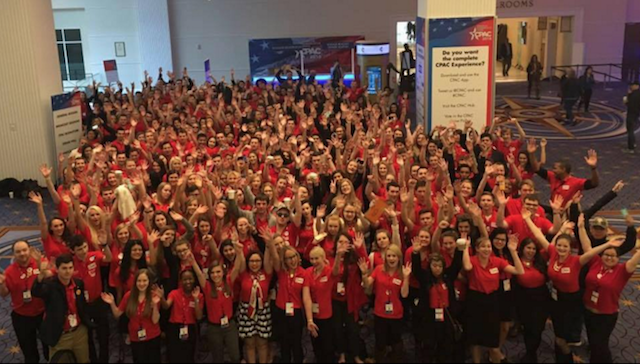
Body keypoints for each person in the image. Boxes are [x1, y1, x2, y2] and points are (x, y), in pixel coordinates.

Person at [462, 235, 524, 364]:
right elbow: (467, 267)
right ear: (477, 249)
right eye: (483, 246)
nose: (486, 249)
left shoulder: (497, 261)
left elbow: (519, 271)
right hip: (475, 300)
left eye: (488, 246)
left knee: (493, 339)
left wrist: (513, 251)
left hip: (492, 301)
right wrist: (465, 248)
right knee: (475, 338)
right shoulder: (472, 260)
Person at [32, 253, 92, 363]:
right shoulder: (50, 285)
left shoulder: (78, 284)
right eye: (64, 268)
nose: (68, 271)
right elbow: (36, 292)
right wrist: (41, 275)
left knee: (84, 360)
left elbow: (82, 305)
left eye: (70, 268)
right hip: (60, 335)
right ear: (57, 269)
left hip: (79, 332)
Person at [360, 244, 411, 363]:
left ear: (398, 258)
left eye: (394, 256)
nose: (391, 258)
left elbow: (404, 294)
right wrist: (364, 274)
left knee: (396, 341)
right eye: (389, 256)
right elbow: (367, 284)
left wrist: (407, 278)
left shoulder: (402, 272)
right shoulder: (378, 269)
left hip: (396, 313)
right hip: (380, 312)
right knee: (380, 341)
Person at [0, 241, 50, 363]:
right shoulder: (9, 272)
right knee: (29, 353)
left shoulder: (40, 263)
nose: (22, 254)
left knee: (49, 347)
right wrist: (1, 285)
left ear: (29, 249)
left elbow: (50, 282)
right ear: (13, 254)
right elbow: (5, 293)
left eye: (24, 250)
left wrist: (40, 266)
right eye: (18, 251)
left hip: (43, 313)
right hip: (22, 316)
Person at [102, 270, 162, 364]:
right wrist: (112, 303)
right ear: (135, 282)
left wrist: (154, 306)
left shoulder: (154, 296)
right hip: (135, 337)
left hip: (152, 337)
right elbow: (117, 314)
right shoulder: (128, 296)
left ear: (149, 282)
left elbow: (155, 320)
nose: (142, 284)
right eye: (139, 281)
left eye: (144, 281)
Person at [303, 246, 336, 363]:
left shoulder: (329, 271)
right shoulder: (307, 272)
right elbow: (306, 296)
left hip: (326, 315)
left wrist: (339, 255)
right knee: (316, 346)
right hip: (312, 315)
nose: (313, 261)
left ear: (323, 258)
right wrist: (310, 320)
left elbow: (336, 271)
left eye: (316, 258)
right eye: (311, 259)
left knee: (328, 347)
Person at [623, 81, 640, 153]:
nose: (631, 87)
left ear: (636, 86)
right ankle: (633, 144)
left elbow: (630, 105)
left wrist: (626, 101)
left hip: (632, 114)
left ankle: (631, 148)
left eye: (632, 85)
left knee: (630, 130)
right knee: (631, 130)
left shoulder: (634, 95)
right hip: (636, 114)